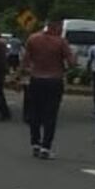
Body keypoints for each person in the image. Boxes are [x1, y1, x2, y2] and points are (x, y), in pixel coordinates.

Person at [21, 18, 74, 160]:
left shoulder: (33, 39)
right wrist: (65, 67)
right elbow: (71, 62)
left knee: (35, 113)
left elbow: (25, 62)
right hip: (54, 80)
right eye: (60, 27)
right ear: (55, 26)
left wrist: (21, 75)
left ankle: (35, 143)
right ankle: (46, 146)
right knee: (50, 114)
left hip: (36, 78)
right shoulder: (61, 42)